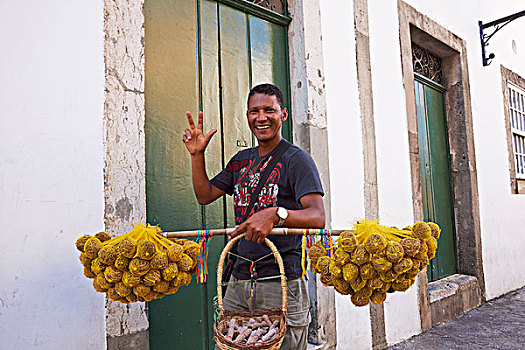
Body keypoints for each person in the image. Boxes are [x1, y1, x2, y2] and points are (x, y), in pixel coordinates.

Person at [182, 83, 325, 349]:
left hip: (280, 283)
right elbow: (205, 195)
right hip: (239, 281)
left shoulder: (297, 160)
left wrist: (276, 214)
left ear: (283, 114)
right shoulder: (241, 161)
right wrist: (197, 155)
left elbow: (317, 217)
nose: (261, 118)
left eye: (269, 110)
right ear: (247, 116)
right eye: (254, 111)